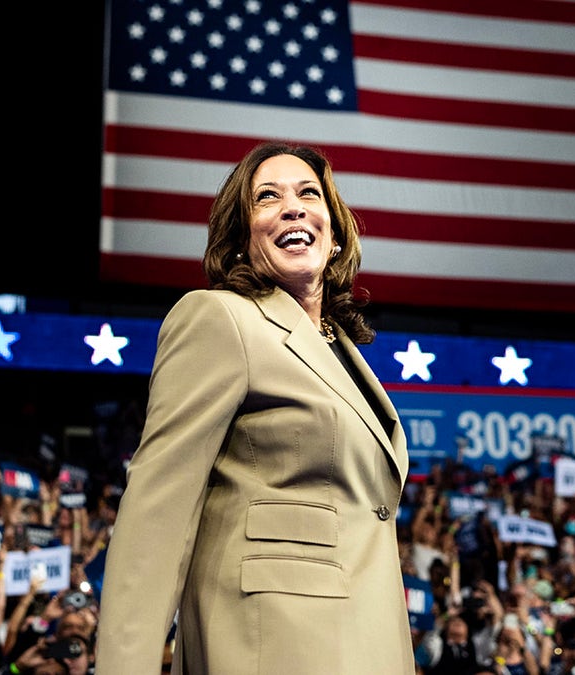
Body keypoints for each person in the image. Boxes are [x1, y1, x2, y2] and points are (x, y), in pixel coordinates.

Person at [94, 142, 412, 674]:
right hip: (270, 645)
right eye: (267, 197)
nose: (293, 207)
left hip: (366, 644)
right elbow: (157, 510)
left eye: (309, 193)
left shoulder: (343, 350)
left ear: (334, 234)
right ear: (241, 238)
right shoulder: (220, 318)